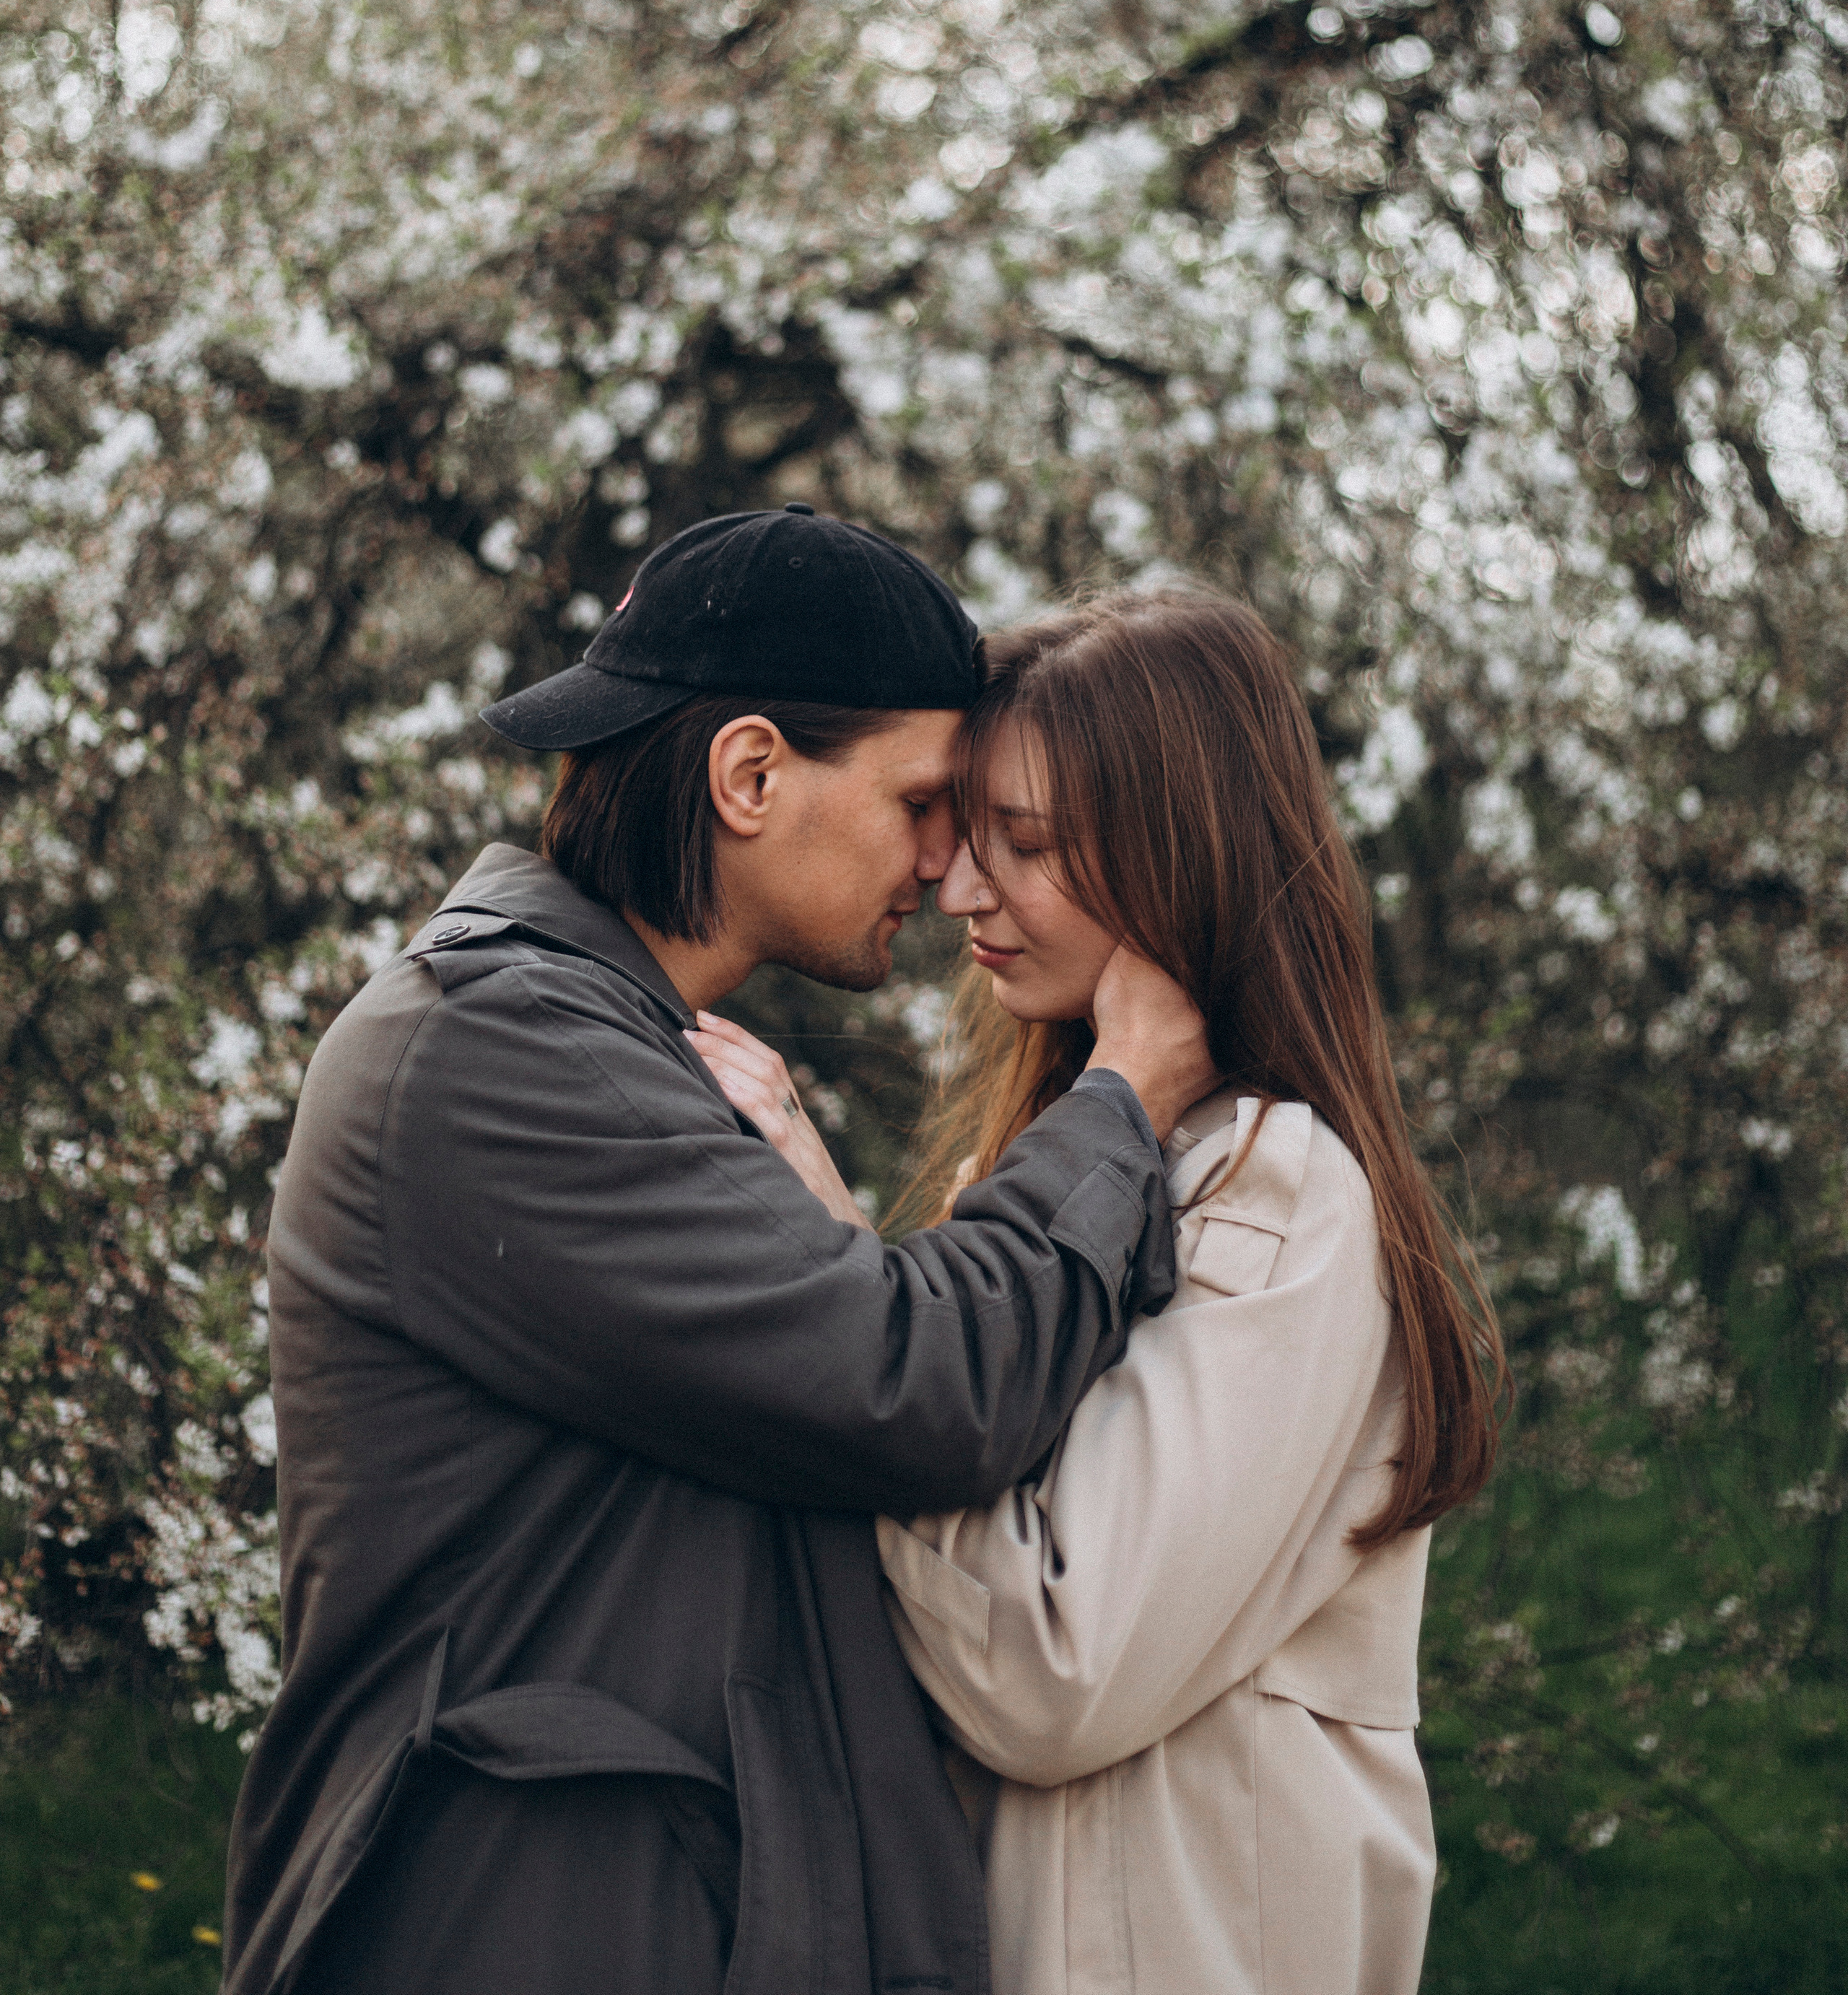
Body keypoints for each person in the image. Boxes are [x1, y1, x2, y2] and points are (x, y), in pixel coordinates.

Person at [221, 508, 1224, 1995]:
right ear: (750, 774)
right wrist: (1120, 1101)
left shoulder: (609, 1048)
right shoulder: (495, 1054)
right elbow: (918, 1383)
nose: (949, 872)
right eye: (922, 802)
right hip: (522, 1933)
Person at [710, 584, 1505, 1995]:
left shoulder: (1271, 1189)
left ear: (1174, 859)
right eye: (959, 839)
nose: (957, 890)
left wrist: (846, 1273)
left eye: (1020, 845)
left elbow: (1044, 1669)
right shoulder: (1099, 1168)